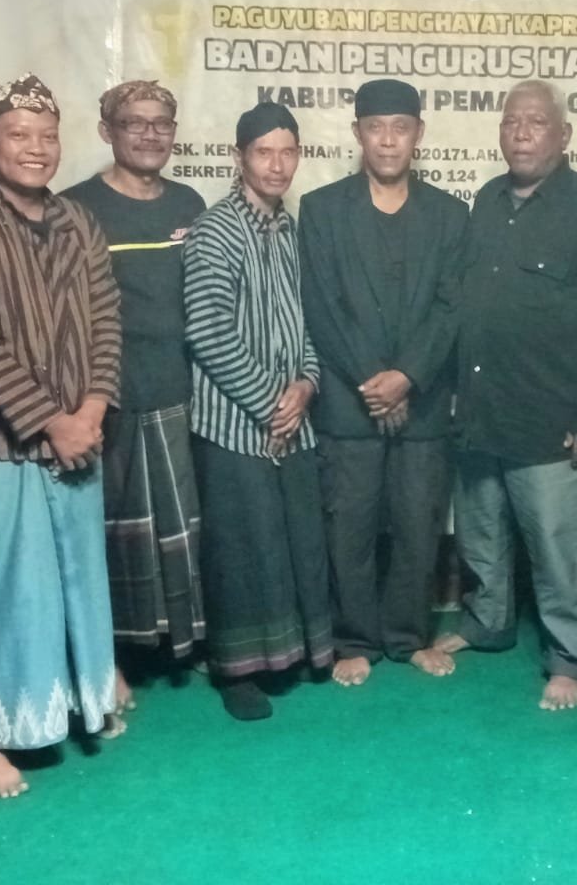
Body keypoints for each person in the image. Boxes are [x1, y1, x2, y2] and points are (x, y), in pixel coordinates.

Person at [0, 74, 120, 799]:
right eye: (18, 135)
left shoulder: (79, 221)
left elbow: (107, 320)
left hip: (81, 437)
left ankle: (76, 704)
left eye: (47, 136)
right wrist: (52, 420)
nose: (35, 149)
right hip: (2, 447)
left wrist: (92, 409)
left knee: (74, 581)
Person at [432, 80, 577, 711]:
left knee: (554, 546)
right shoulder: (487, 200)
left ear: (563, 135)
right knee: (481, 532)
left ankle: (571, 657)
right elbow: (468, 305)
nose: (520, 132)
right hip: (482, 409)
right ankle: (487, 621)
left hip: (551, 417)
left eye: (536, 122)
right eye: (511, 121)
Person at [298, 79, 467, 686]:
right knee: (350, 527)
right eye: (376, 127)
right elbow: (321, 306)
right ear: (358, 134)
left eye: (400, 127)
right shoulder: (321, 210)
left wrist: (407, 377)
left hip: (422, 405)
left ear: (419, 134)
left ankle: (408, 636)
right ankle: (354, 639)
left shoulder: (450, 214)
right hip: (350, 404)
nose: (388, 140)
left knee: (419, 527)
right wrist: (375, 382)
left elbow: (452, 306)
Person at [62, 81, 206, 720]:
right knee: (112, 535)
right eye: (134, 123)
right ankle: (112, 657)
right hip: (109, 399)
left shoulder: (189, 203)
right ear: (107, 131)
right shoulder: (76, 207)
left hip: (180, 391)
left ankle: (179, 644)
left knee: (180, 528)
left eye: (161, 123)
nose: (150, 134)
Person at [184, 101, 332, 721]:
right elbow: (208, 331)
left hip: (290, 417)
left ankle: (287, 656)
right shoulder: (215, 229)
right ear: (238, 157)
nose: (277, 164)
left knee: (289, 540)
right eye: (264, 152)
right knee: (241, 551)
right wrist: (271, 403)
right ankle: (236, 671)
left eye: (287, 152)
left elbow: (308, 321)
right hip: (233, 423)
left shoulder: (291, 230)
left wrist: (306, 384)